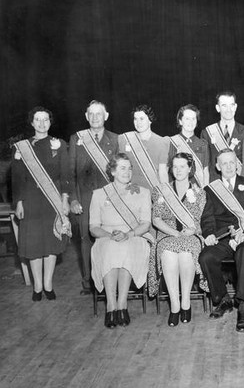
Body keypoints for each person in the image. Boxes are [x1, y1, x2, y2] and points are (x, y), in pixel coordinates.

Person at [12, 107, 71, 301]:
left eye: (45, 119)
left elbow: (65, 175)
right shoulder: (21, 147)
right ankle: (37, 286)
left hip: (52, 201)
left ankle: (48, 284)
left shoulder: (59, 144)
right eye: (38, 120)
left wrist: (64, 200)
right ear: (32, 122)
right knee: (34, 244)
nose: (42, 123)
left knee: (51, 242)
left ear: (50, 122)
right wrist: (19, 202)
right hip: (30, 201)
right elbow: (18, 178)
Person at [199, 149, 244, 332]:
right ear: (217, 166)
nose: (228, 166)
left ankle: (242, 305)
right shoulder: (211, 189)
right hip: (223, 238)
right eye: (223, 163)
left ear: (237, 164)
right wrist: (209, 233)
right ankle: (223, 299)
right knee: (206, 257)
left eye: (231, 162)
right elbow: (207, 217)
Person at [89, 154, 152, 328]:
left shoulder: (143, 192)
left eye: (129, 168)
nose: (127, 172)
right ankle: (111, 305)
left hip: (135, 236)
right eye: (122, 168)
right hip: (106, 236)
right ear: (113, 171)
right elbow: (93, 227)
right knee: (110, 248)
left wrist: (129, 234)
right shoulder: (99, 194)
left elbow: (146, 224)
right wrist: (109, 236)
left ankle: (122, 303)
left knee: (127, 248)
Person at [69, 100, 119, 295]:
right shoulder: (77, 139)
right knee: (86, 240)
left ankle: (110, 280)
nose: (96, 117)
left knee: (111, 239)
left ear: (106, 116)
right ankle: (89, 282)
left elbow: (120, 172)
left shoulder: (115, 139)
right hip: (86, 199)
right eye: (92, 114)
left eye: (99, 114)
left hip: (110, 200)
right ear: (86, 116)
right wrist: (73, 199)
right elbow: (70, 172)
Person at [150, 153, 206, 326]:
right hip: (167, 234)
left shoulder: (199, 192)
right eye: (175, 166)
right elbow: (156, 218)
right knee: (167, 253)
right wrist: (173, 233)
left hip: (191, 235)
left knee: (185, 254)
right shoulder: (161, 190)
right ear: (171, 169)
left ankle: (186, 302)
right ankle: (175, 305)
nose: (179, 170)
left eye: (183, 166)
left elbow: (201, 219)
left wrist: (191, 230)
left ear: (190, 169)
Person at [200, 91, 244, 182]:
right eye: (224, 105)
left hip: (239, 186)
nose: (229, 109)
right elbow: (205, 165)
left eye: (231, 105)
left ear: (235, 107)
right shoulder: (207, 133)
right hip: (216, 185)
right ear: (217, 108)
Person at [118, 104, 170, 190]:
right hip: (131, 191)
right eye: (135, 119)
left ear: (150, 120)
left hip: (152, 192)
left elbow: (163, 172)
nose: (138, 123)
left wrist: (165, 193)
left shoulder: (162, 142)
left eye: (142, 119)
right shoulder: (125, 139)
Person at [169, 104, 209, 187]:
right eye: (187, 119)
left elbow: (205, 171)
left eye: (193, 119)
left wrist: (206, 191)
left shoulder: (203, 144)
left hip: (198, 190)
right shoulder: (172, 142)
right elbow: (167, 169)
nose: (190, 122)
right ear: (180, 121)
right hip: (177, 189)